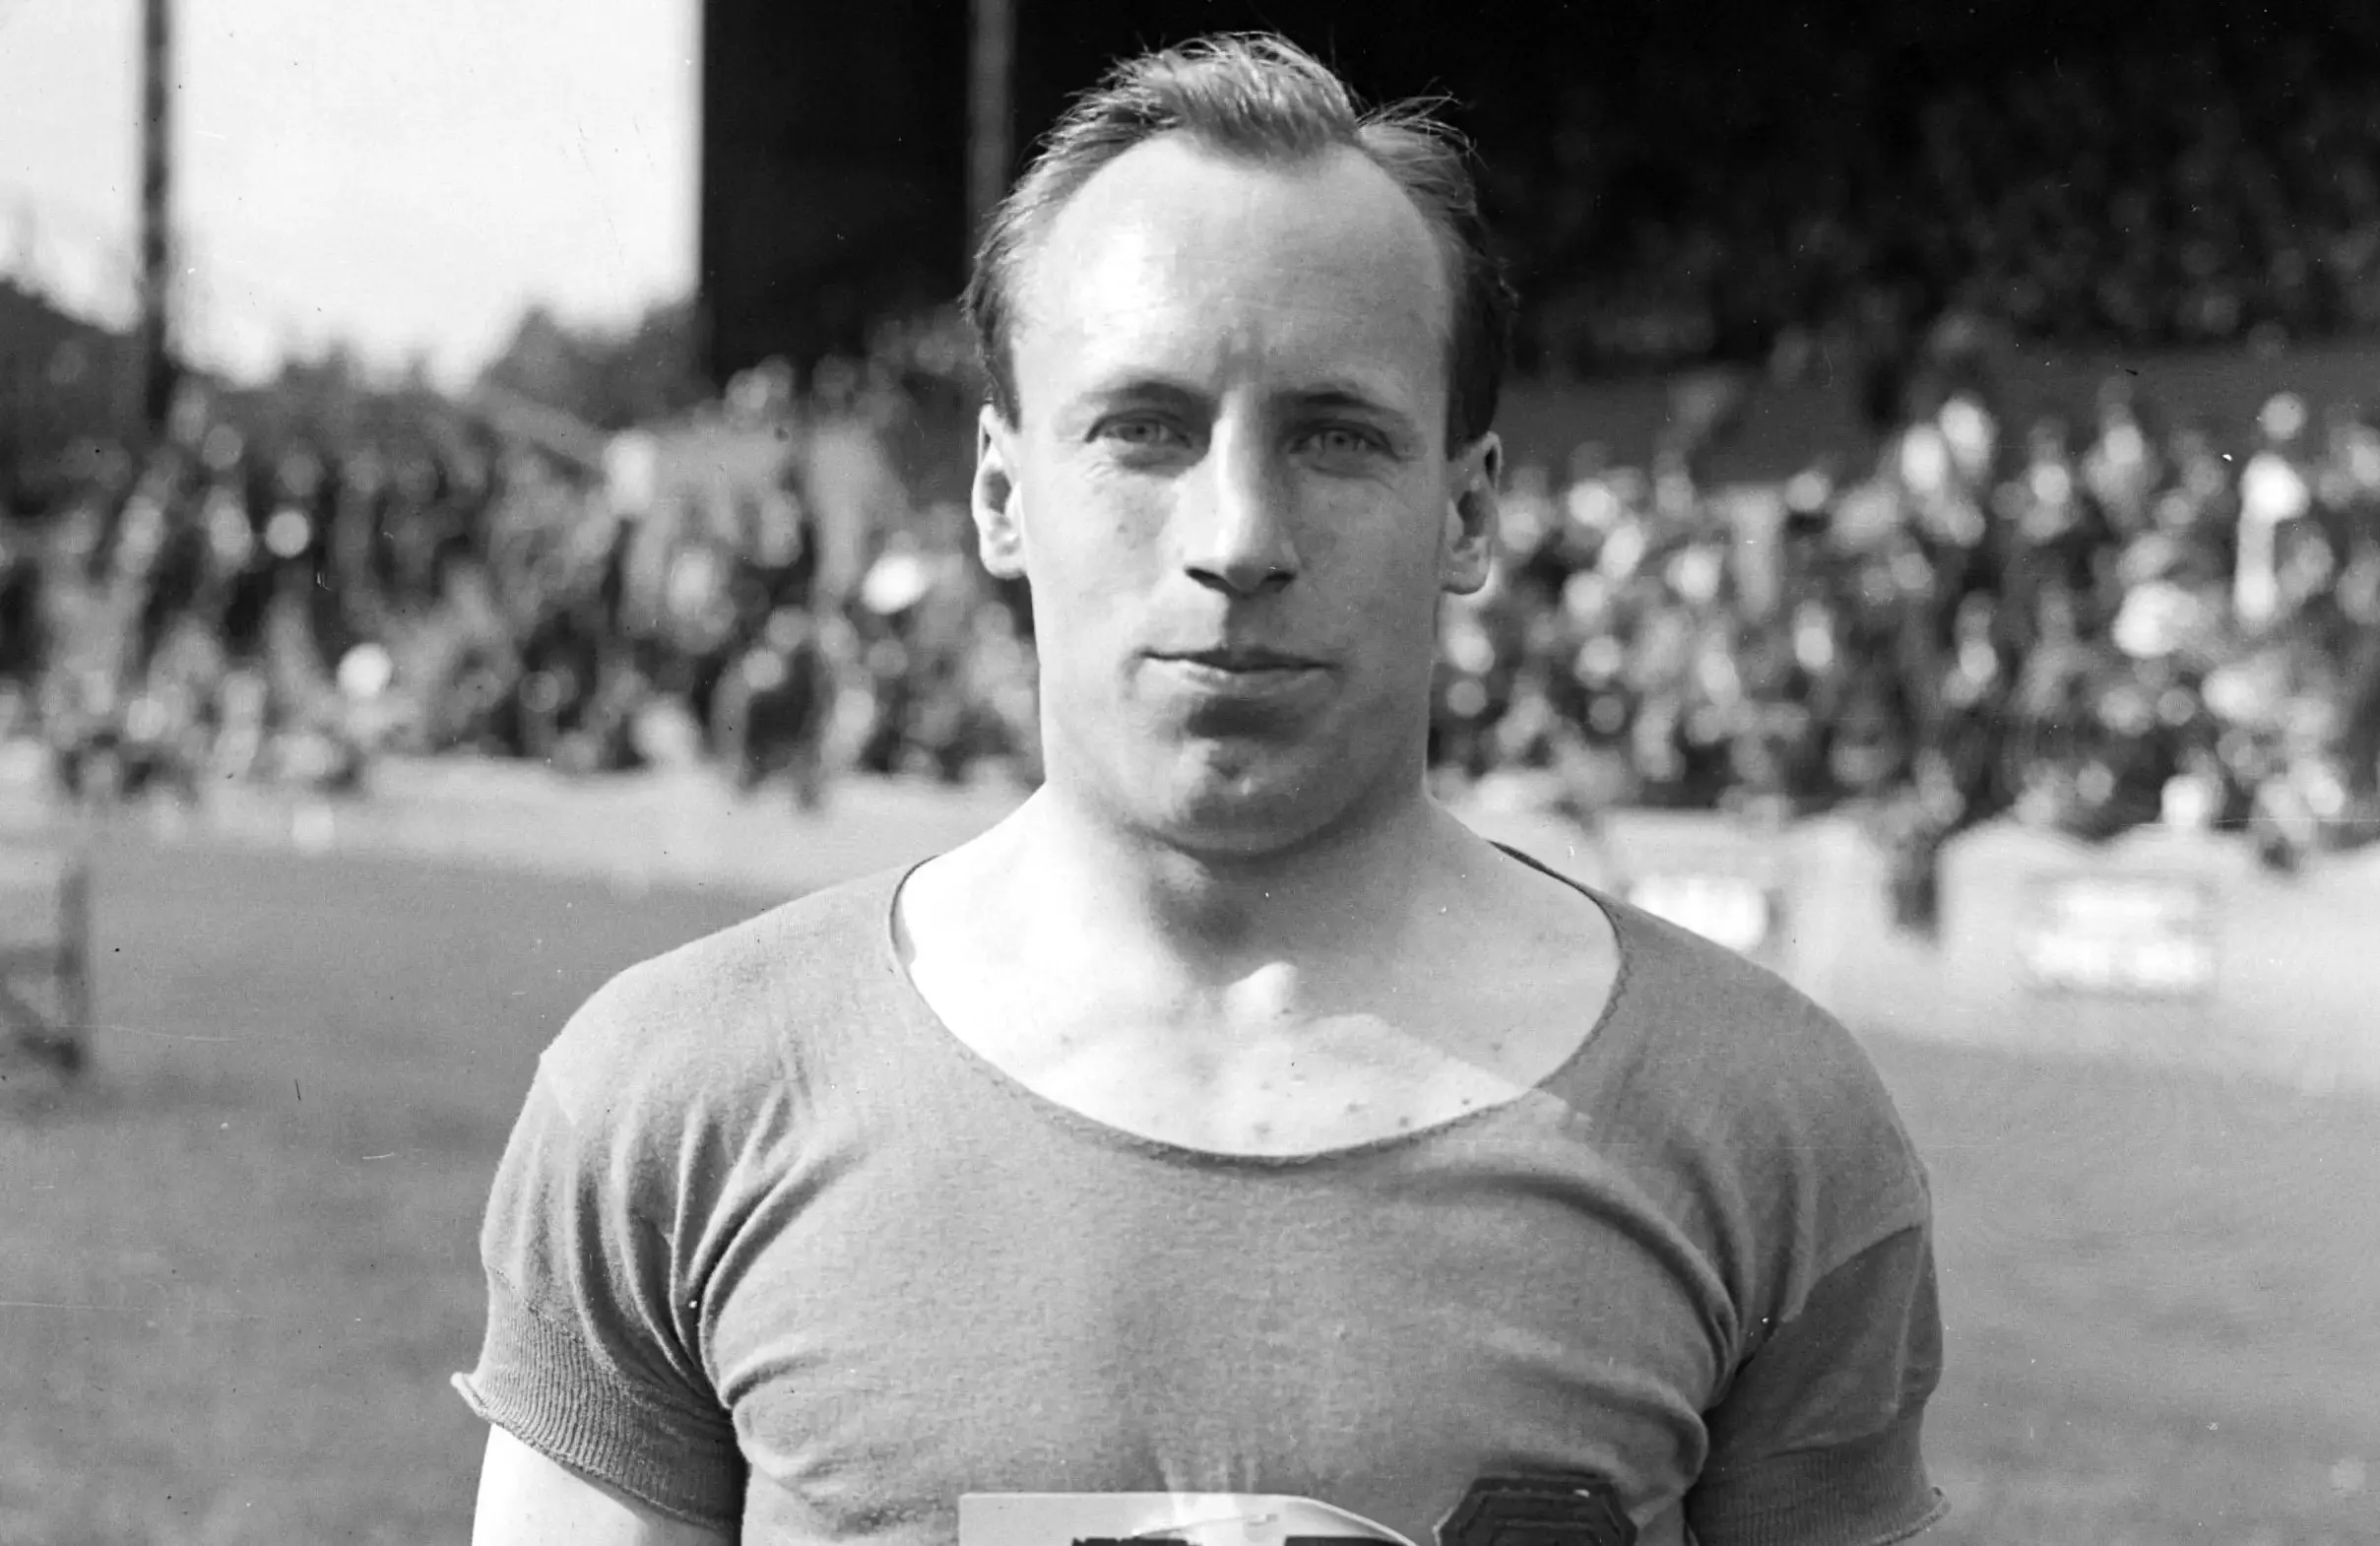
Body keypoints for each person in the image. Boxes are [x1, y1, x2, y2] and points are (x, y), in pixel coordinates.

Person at [456, 33, 1946, 1546]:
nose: (1238, 535)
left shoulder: (1769, 1128)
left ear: (1473, 511)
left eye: (1336, 436)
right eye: (1145, 430)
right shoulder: (674, 1107)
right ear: (998, 493)